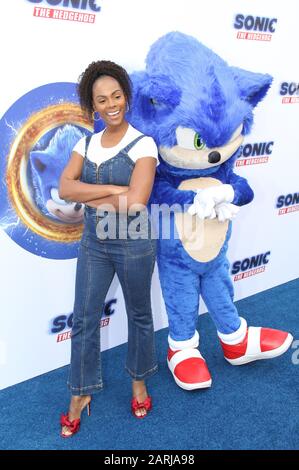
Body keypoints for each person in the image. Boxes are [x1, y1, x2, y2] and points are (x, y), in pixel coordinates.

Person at [59, 60, 158, 437]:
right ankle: (80, 393)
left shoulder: (144, 143)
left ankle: (138, 381)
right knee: (84, 318)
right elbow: (65, 189)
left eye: (116, 95)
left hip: (134, 243)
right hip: (94, 243)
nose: (111, 104)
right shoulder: (84, 143)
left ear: (126, 98)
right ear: (93, 105)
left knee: (139, 315)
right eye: (102, 99)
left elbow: (137, 204)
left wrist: (98, 197)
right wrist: (116, 190)